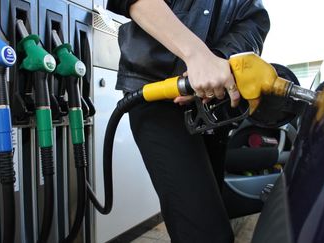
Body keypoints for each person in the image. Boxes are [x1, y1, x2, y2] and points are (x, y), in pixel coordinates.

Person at [106, 0, 270, 242]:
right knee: (206, 234)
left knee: (206, 214)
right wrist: (196, 55)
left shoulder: (251, 4)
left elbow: (254, 24)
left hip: (213, 104)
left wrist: (215, 64)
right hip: (157, 94)